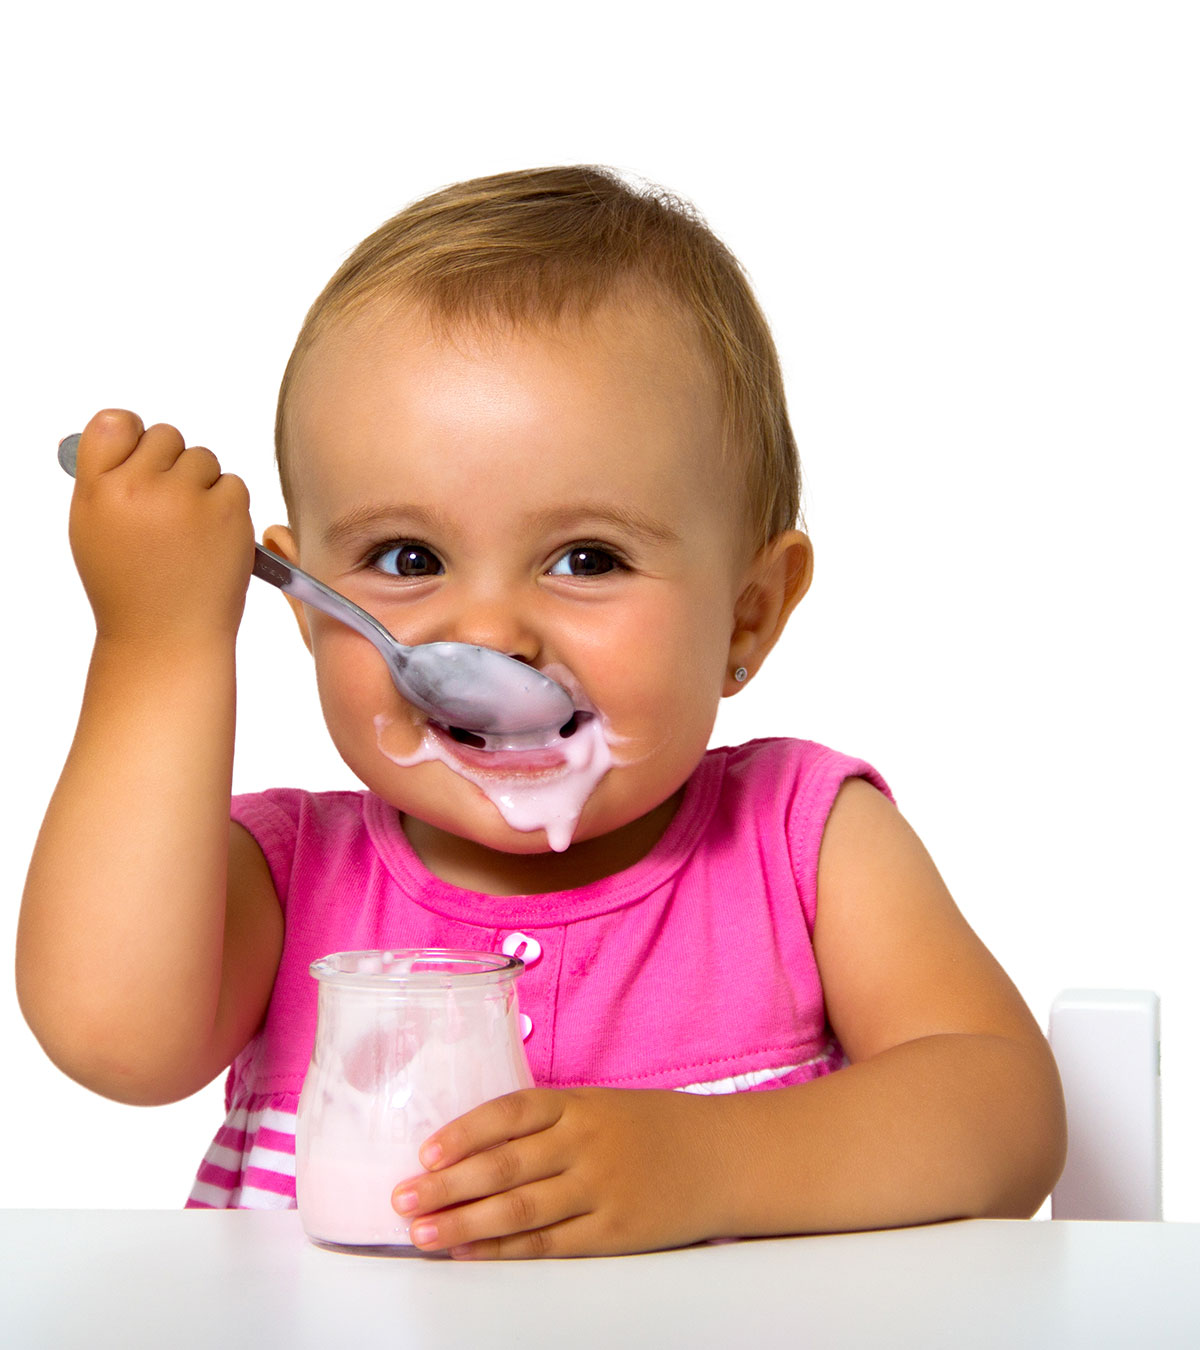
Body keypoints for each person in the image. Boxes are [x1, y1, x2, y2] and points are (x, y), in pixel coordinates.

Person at [18, 166, 1066, 1259]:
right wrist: (161, 644)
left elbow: (1005, 1117)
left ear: (746, 618)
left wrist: (711, 1163)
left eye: (586, 559)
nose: (492, 634)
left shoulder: (802, 847)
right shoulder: (285, 882)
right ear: (306, 605)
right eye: (406, 558)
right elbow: (110, 1036)